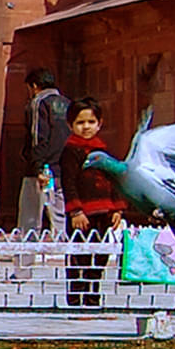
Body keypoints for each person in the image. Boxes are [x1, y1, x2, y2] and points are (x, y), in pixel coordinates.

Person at [56, 97, 120, 308]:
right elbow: (69, 182)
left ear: (99, 123)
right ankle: (75, 301)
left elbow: (115, 178)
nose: (86, 127)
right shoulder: (71, 150)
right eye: (80, 123)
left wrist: (117, 208)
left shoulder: (102, 149)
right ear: (70, 125)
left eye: (91, 122)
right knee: (78, 259)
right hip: (81, 215)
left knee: (98, 259)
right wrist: (75, 212)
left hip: (103, 212)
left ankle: (93, 300)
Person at [18, 67, 71, 236]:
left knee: (31, 215)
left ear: (34, 86)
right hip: (62, 168)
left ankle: (26, 259)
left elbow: (38, 136)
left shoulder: (39, 102)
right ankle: (62, 256)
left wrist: (38, 166)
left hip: (41, 170)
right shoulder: (67, 103)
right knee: (59, 215)